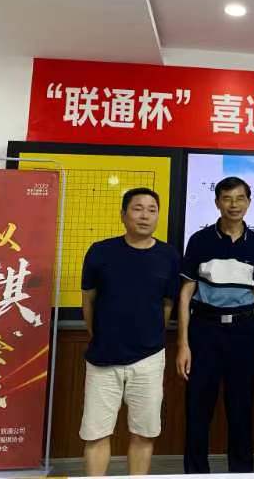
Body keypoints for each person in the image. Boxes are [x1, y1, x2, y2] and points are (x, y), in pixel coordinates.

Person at [79, 187, 179, 476]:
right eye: (137, 208)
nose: (145, 215)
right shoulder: (100, 251)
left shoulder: (168, 255)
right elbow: (88, 300)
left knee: (144, 434)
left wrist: (150, 336)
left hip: (149, 358)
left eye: (151, 210)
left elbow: (167, 305)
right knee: (96, 434)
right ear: (123, 215)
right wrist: (99, 335)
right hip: (103, 358)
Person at [177, 176, 254, 473]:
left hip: (244, 333)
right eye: (227, 198)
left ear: (249, 202)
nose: (234, 205)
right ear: (217, 202)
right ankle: (195, 474)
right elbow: (186, 292)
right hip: (204, 331)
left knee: (241, 410)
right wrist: (183, 344)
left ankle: (240, 473)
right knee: (198, 409)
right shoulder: (200, 240)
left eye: (240, 198)